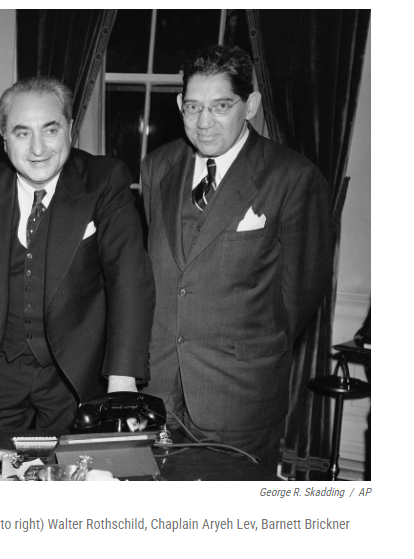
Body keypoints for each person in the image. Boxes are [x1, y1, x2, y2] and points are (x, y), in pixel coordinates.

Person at [141, 45, 333, 472]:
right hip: (158, 392)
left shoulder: (293, 177)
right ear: (180, 104)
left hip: (239, 400)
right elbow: (165, 274)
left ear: (251, 105)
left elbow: (298, 298)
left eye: (221, 106)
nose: (204, 122)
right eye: (193, 107)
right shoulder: (157, 166)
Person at [0, 76, 155, 433]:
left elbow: (128, 279)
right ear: (4, 139)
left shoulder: (105, 180)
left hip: (76, 375)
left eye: (50, 130)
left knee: (77, 467)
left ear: (70, 129)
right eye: (22, 133)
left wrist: (122, 380)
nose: (38, 148)